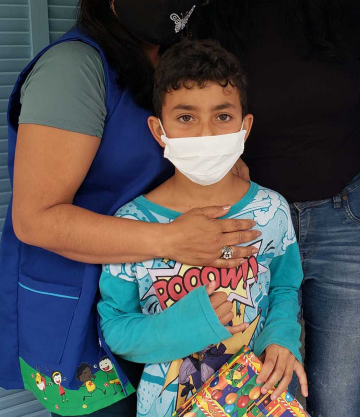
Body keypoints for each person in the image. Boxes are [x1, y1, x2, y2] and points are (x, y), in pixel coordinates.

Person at [0, 0, 262, 417]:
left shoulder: (168, 72)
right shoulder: (74, 70)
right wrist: (170, 240)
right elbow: (35, 219)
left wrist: (223, 174)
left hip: (158, 309)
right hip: (82, 320)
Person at [200, 0, 360, 414]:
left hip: (349, 224)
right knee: (252, 399)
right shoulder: (205, 23)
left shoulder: (351, 1)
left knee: (336, 400)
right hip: (244, 228)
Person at [98, 40, 307, 417]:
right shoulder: (131, 225)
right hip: (170, 406)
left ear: (245, 127)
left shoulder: (272, 210)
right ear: (159, 130)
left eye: (222, 116)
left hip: (259, 399)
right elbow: (115, 327)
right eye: (186, 117)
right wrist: (192, 324)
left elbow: (284, 286)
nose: (206, 133)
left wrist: (282, 338)